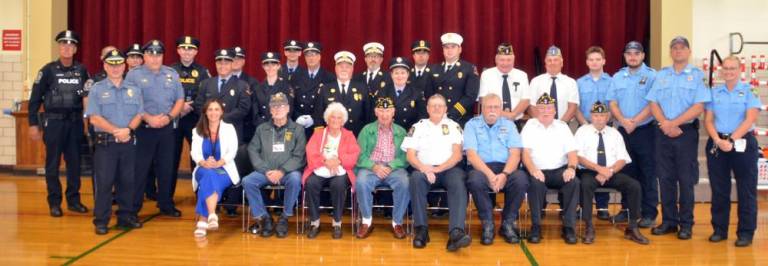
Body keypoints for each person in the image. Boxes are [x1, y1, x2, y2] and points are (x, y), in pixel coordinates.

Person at [646, 36, 711, 240]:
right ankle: (668, 222)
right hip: (663, 132)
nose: (678, 51)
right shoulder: (661, 75)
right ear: (670, 51)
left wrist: (673, 123)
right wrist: (665, 123)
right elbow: (653, 102)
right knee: (665, 179)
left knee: (685, 180)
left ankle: (686, 224)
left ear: (689, 52)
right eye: (674, 48)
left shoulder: (698, 75)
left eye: (682, 48)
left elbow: (699, 106)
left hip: (685, 133)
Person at [28, 30, 90, 217]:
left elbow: (88, 97)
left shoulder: (82, 70)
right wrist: (33, 124)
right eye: (63, 44)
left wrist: (88, 122)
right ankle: (54, 202)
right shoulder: (47, 70)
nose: (67, 48)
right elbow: (34, 100)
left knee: (74, 164)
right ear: (59, 47)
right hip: (54, 124)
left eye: (71, 45)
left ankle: (73, 200)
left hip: (75, 123)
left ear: (75, 48)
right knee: (52, 164)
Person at [704, 55, 761, 247]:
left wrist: (731, 139)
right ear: (721, 70)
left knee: (746, 191)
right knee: (719, 190)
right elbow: (708, 120)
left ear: (739, 70)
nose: (728, 71)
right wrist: (717, 140)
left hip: (742, 143)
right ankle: (719, 229)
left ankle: (745, 232)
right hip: (718, 142)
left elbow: (749, 119)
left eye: (732, 68)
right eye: (725, 68)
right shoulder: (714, 92)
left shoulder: (749, 91)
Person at [86, 49, 144, 234]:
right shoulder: (97, 89)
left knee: (127, 181)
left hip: (128, 142)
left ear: (124, 65)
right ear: (105, 66)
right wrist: (116, 132)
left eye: (118, 64)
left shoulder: (134, 89)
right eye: (111, 64)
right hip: (106, 144)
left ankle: (125, 217)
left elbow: (139, 114)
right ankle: (101, 221)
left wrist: (128, 130)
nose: (115, 68)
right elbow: (94, 118)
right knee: (104, 183)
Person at [402, 94, 470, 251]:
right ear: (427, 109)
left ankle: (456, 233)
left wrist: (438, 169)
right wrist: (424, 168)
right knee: (415, 179)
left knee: (459, 182)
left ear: (446, 109)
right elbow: (410, 155)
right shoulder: (418, 127)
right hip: (423, 169)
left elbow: (457, 154)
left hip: (448, 169)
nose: (437, 108)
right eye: (433, 105)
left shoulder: (453, 126)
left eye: (440, 105)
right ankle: (421, 230)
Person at [126, 40, 185, 218]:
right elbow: (131, 101)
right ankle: (134, 207)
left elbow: (179, 100)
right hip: (143, 128)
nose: (154, 58)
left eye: (158, 54)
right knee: (140, 169)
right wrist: (148, 118)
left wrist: (168, 117)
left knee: (166, 168)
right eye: (151, 54)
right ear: (144, 56)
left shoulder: (171, 74)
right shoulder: (134, 75)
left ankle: (165, 203)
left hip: (166, 128)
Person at [575, 101, 648, 245]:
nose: (599, 118)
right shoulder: (582, 131)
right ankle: (589, 226)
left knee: (634, 185)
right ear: (591, 116)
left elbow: (622, 158)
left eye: (602, 115)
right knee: (585, 185)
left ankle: (632, 228)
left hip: (611, 171)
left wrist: (609, 171)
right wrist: (598, 169)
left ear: (608, 117)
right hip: (590, 171)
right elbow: (578, 157)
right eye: (596, 115)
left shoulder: (615, 133)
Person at [464, 93, 529, 245]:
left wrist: (505, 174)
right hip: (480, 167)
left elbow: (515, 154)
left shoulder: (509, 125)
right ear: (482, 108)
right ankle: (488, 224)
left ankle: (508, 223)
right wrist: (490, 175)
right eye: (488, 107)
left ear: (501, 109)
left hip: (505, 167)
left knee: (521, 179)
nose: (492, 110)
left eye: (496, 107)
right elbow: (472, 155)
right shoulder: (471, 125)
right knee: (474, 180)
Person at [606, 41, 658, 227]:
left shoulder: (652, 76)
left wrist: (634, 121)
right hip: (623, 131)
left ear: (643, 55)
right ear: (625, 56)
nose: (633, 56)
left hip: (645, 130)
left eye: (637, 53)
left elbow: (654, 103)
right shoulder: (617, 77)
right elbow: (612, 102)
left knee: (647, 173)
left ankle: (649, 213)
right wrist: (624, 121)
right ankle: (627, 210)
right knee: (627, 173)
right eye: (629, 53)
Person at [242, 92, 306, 238]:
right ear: (270, 110)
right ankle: (264, 218)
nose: (278, 109)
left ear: (288, 108)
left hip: (288, 173)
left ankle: (284, 217)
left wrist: (282, 171)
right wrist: (266, 171)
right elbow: (252, 150)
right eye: (274, 106)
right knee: (248, 181)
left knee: (296, 179)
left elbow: (299, 155)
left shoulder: (298, 129)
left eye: (281, 106)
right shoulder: (261, 129)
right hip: (265, 172)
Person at [521, 93, 580, 244]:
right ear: (536, 110)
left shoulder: (562, 127)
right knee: (534, 184)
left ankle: (568, 227)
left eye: (549, 108)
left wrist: (571, 168)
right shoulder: (529, 126)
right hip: (537, 170)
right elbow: (525, 153)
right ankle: (536, 227)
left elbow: (572, 152)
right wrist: (533, 170)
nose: (545, 111)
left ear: (555, 111)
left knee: (574, 182)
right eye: (541, 108)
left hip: (559, 170)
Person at [354, 97, 410, 239]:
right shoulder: (366, 130)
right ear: (376, 112)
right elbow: (359, 155)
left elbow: (406, 157)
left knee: (405, 182)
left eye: (388, 111)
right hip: (371, 167)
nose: (385, 114)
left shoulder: (402, 131)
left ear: (393, 112)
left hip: (394, 168)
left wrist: (391, 166)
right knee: (361, 181)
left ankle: (397, 222)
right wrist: (374, 166)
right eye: (381, 111)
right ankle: (367, 221)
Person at [303, 102, 361, 239]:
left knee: (339, 185)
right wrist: (325, 161)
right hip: (320, 167)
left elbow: (354, 155)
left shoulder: (349, 135)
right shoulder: (318, 134)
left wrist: (339, 160)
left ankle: (337, 223)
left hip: (341, 169)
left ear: (343, 120)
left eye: (338, 118)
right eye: (332, 117)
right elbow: (310, 152)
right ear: (327, 119)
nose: (335, 120)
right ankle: (315, 222)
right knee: (311, 183)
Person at [190, 99, 241, 237]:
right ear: (205, 112)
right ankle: (212, 214)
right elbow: (194, 152)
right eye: (210, 109)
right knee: (208, 174)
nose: (213, 112)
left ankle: (203, 219)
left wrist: (219, 162)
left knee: (209, 178)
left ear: (222, 112)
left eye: (216, 109)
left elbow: (233, 150)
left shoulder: (229, 128)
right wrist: (203, 162)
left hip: (224, 169)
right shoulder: (197, 130)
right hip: (203, 167)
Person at [171, 36, 211, 202]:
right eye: (183, 48)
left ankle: (200, 194)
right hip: (174, 118)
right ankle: (166, 198)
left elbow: (207, 95)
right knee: (171, 158)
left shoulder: (203, 72)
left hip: (194, 118)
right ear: (178, 50)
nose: (187, 52)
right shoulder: (170, 71)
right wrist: (178, 107)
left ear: (196, 51)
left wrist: (190, 106)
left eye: (191, 49)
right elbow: (164, 94)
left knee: (197, 158)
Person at [575, 46, 612, 220]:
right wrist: (585, 124)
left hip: (606, 128)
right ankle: (584, 205)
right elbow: (575, 106)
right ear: (587, 62)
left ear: (604, 61)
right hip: (584, 127)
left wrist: (602, 122)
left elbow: (613, 105)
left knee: (604, 162)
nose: (594, 62)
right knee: (584, 167)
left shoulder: (612, 81)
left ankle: (603, 206)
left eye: (598, 59)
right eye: (591, 59)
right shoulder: (580, 83)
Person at [194, 49, 252, 143]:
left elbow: (243, 109)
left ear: (232, 64)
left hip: (232, 130)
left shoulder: (242, 85)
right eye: (220, 63)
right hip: (208, 130)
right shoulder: (206, 83)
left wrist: (219, 118)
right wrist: (211, 119)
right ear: (216, 64)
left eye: (226, 63)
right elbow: (199, 105)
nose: (222, 66)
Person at [425, 32, 479, 126]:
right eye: (446, 47)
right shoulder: (433, 69)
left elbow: (470, 96)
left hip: (460, 118)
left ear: (460, 49)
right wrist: (437, 112)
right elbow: (429, 94)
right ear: (443, 49)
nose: (449, 50)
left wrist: (451, 114)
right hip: (436, 117)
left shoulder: (469, 69)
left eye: (453, 47)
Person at [314, 51, 371, 135]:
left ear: (352, 69)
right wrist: (320, 136)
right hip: (331, 136)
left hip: (356, 135)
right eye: (341, 66)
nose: (344, 69)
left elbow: (368, 116)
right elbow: (318, 116)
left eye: (347, 67)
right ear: (335, 68)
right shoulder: (325, 89)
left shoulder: (362, 88)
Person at [478, 43, 530, 131]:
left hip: (517, 122)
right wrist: (505, 115)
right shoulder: (487, 75)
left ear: (514, 60)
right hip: (493, 123)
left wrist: (513, 115)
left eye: (509, 60)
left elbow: (526, 100)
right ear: (496, 60)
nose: (505, 63)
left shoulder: (522, 75)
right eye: (502, 60)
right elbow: (483, 100)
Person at [528, 46, 579, 123]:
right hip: (540, 125)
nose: (552, 63)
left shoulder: (571, 82)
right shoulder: (535, 81)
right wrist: (542, 123)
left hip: (563, 126)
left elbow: (572, 107)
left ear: (561, 63)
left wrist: (560, 125)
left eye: (556, 60)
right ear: (545, 63)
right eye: (549, 60)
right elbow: (531, 106)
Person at [378, 57, 426, 129]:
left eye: (403, 73)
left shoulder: (416, 93)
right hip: (389, 131)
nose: (399, 76)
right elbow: (378, 114)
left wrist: (414, 131)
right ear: (391, 75)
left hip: (409, 132)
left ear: (408, 74)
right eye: (396, 73)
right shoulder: (383, 91)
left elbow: (422, 116)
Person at [252, 52, 295, 128]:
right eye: (267, 65)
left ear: (278, 66)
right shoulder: (257, 88)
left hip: (281, 127)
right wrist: (263, 127)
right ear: (263, 67)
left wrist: (277, 124)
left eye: (273, 65)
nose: (270, 68)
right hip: (262, 127)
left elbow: (289, 110)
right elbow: (255, 113)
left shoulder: (286, 87)